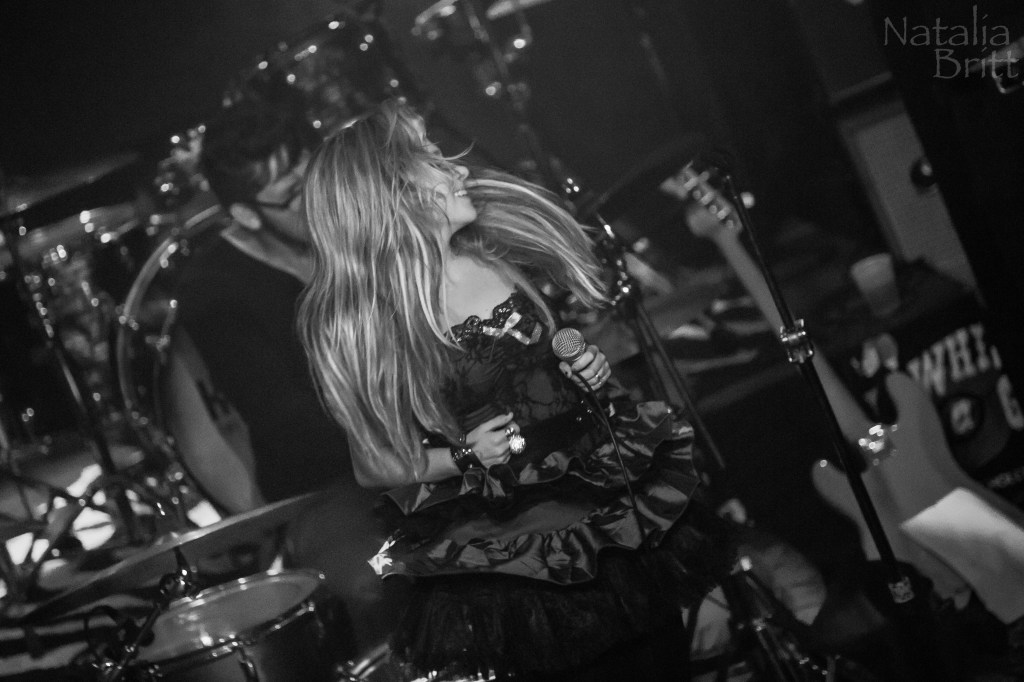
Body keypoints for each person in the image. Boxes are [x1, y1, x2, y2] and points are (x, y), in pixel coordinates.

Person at [299, 99, 736, 680]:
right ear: (393, 193)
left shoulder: (495, 261)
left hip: (602, 501)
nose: (458, 168)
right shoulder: (383, 325)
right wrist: (464, 455)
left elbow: (544, 369)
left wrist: (585, 373)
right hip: (519, 542)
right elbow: (375, 465)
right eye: (433, 160)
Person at [174, 99, 400, 656]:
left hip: (422, 434)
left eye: (314, 174)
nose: (318, 198)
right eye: (295, 193)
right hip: (329, 484)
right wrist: (409, 433)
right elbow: (294, 429)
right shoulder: (215, 293)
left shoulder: (348, 226)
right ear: (247, 214)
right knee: (381, 584)